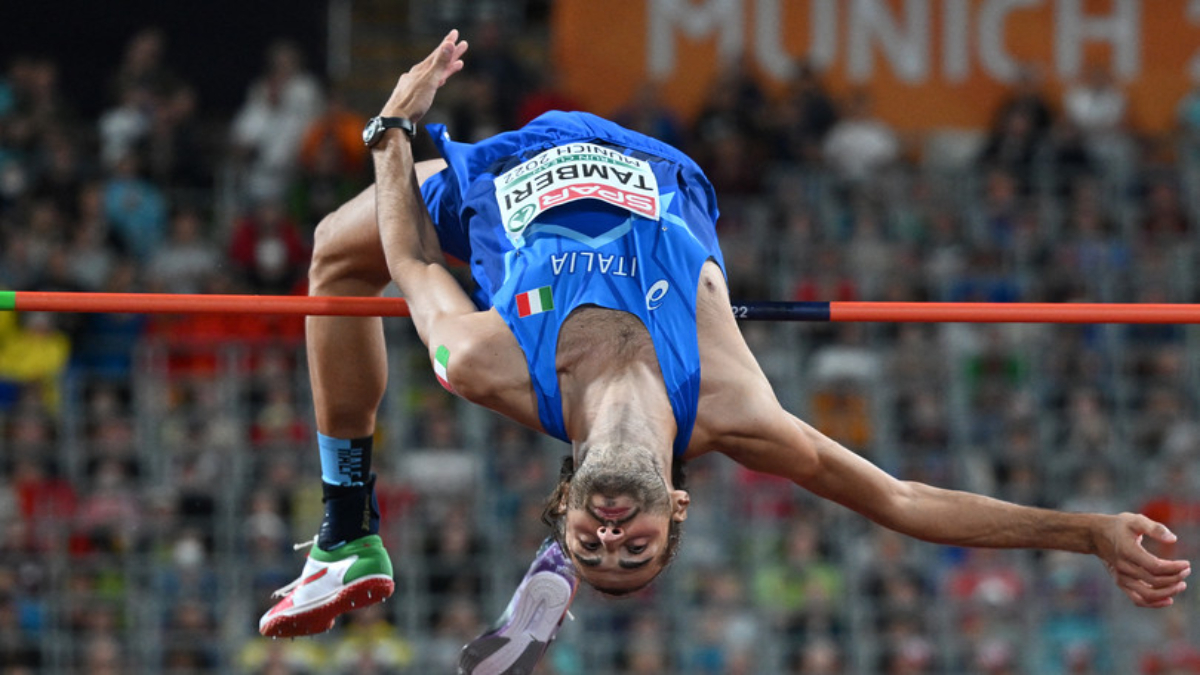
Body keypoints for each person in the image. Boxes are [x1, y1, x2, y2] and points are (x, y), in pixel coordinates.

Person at [261, 31, 1192, 673]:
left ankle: (349, 527)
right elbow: (904, 502)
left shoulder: (481, 361)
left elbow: (411, 258)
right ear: (676, 503)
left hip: (504, 180)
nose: (614, 536)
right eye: (637, 548)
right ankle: (396, 543)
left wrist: (391, 127)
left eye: (595, 545)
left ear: (567, 508)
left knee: (333, 257)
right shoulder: (731, 406)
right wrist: (1088, 531)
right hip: (654, 173)